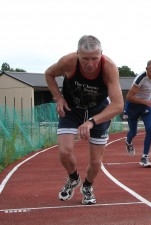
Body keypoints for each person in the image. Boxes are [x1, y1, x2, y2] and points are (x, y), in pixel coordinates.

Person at [45, 35, 123, 205]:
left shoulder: (109, 67)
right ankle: (73, 178)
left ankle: (87, 186)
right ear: (77, 54)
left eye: (94, 58)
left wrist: (91, 122)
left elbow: (118, 105)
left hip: (99, 111)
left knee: (96, 162)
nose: (90, 64)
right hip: (72, 109)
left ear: (101, 54)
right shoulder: (68, 62)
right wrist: (58, 97)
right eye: (85, 59)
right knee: (64, 152)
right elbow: (49, 74)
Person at [125, 59, 151, 168]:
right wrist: (145, 101)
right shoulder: (140, 79)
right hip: (133, 105)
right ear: (146, 69)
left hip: (146, 105)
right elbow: (129, 96)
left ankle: (145, 157)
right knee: (133, 132)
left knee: (150, 128)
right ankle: (128, 142)